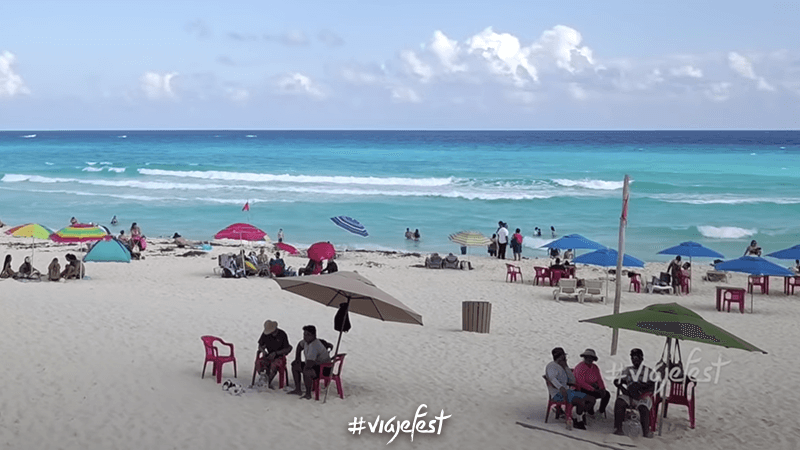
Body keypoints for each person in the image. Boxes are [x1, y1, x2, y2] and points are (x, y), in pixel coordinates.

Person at [545, 347, 593, 430]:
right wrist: (561, 388)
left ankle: (579, 418)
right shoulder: (552, 366)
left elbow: (572, 380)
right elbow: (552, 379)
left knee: (589, 398)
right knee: (581, 399)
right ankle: (578, 420)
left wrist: (566, 366)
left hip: (567, 391)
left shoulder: (562, 366)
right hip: (557, 393)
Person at [613, 348, 656, 438]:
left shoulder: (648, 371)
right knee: (619, 402)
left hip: (643, 396)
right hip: (629, 395)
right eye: (633, 358)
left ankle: (646, 432)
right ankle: (618, 428)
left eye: (637, 358)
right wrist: (623, 389)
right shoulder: (627, 370)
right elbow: (616, 381)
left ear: (642, 359)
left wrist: (642, 389)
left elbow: (653, 385)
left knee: (643, 407)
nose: (635, 360)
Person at [288, 325, 332, 399]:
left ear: (314, 335)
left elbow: (309, 364)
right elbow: (299, 345)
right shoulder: (305, 342)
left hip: (324, 368)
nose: (305, 337)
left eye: (308, 335)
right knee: (295, 365)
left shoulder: (314, 345)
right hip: (314, 364)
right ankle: (298, 389)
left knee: (307, 370)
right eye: (304, 334)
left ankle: (308, 393)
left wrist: (304, 366)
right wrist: (297, 359)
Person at [255, 320, 293, 389]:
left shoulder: (282, 334)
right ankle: (263, 377)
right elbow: (260, 345)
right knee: (258, 362)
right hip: (268, 355)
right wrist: (263, 351)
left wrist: (276, 353)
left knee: (274, 365)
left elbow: (287, 348)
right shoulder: (265, 335)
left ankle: (268, 381)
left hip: (279, 357)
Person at [574, 349, 611, 418]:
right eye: (587, 357)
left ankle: (600, 411)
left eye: (591, 358)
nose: (589, 359)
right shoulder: (580, 367)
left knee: (606, 394)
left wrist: (602, 388)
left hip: (593, 388)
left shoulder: (595, 367)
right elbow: (580, 382)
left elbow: (599, 379)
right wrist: (592, 389)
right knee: (590, 396)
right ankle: (585, 412)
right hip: (581, 389)